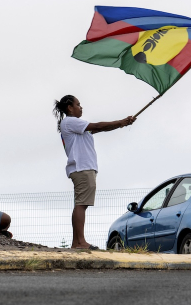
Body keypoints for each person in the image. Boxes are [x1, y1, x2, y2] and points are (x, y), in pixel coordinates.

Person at [53, 95, 135, 249]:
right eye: (78, 104)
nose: (81, 107)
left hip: (81, 168)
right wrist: (121, 121)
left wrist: (121, 124)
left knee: (80, 204)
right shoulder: (71, 121)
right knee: (81, 204)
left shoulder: (74, 125)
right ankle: (80, 242)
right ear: (70, 107)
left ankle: (76, 242)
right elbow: (97, 126)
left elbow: (100, 129)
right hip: (82, 168)